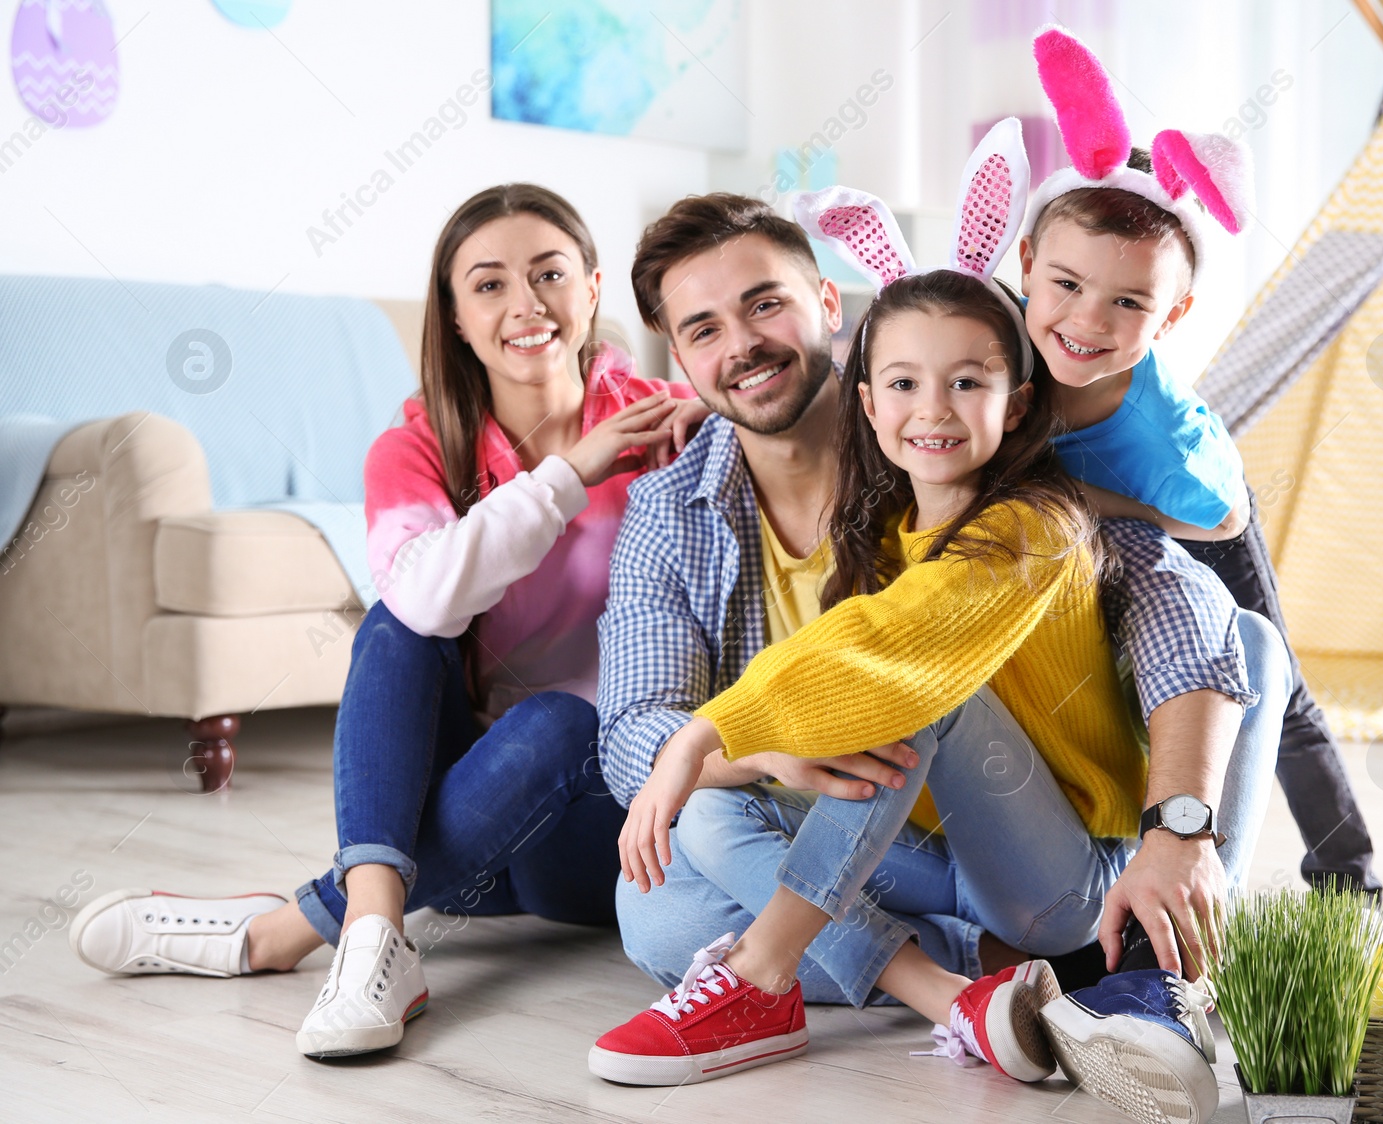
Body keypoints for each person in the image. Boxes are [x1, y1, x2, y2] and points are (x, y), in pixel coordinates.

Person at [591, 160, 1288, 1119]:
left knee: (936, 686)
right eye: (704, 328)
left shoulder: (1018, 495)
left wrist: (1178, 827)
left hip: (1044, 841)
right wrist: (755, 751)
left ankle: (771, 975)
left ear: (830, 307)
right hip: (902, 831)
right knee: (659, 900)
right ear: (673, 353)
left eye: (765, 305)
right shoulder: (685, 508)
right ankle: (984, 985)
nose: (743, 343)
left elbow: (904, 641)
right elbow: (631, 732)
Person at [69, 184, 706, 1059]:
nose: (525, 304)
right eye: (488, 285)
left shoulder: (669, 422)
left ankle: (291, 931)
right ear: (453, 318)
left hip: (599, 836)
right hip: (465, 838)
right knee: (394, 623)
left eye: (549, 273)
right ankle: (373, 935)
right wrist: (571, 473)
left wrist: (725, 425)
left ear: (593, 288)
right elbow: (424, 601)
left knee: (563, 720)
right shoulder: (412, 449)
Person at [1018, 25, 1380, 895]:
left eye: (1129, 302)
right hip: (1096, 512)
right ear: (1026, 266)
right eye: (1066, 285)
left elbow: (1226, 518)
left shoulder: (1162, 437)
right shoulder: (1003, 335)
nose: (1087, 322)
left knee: (1274, 686)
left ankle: (1349, 873)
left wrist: (1092, 501)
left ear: (1171, 317)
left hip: (1191, 508)